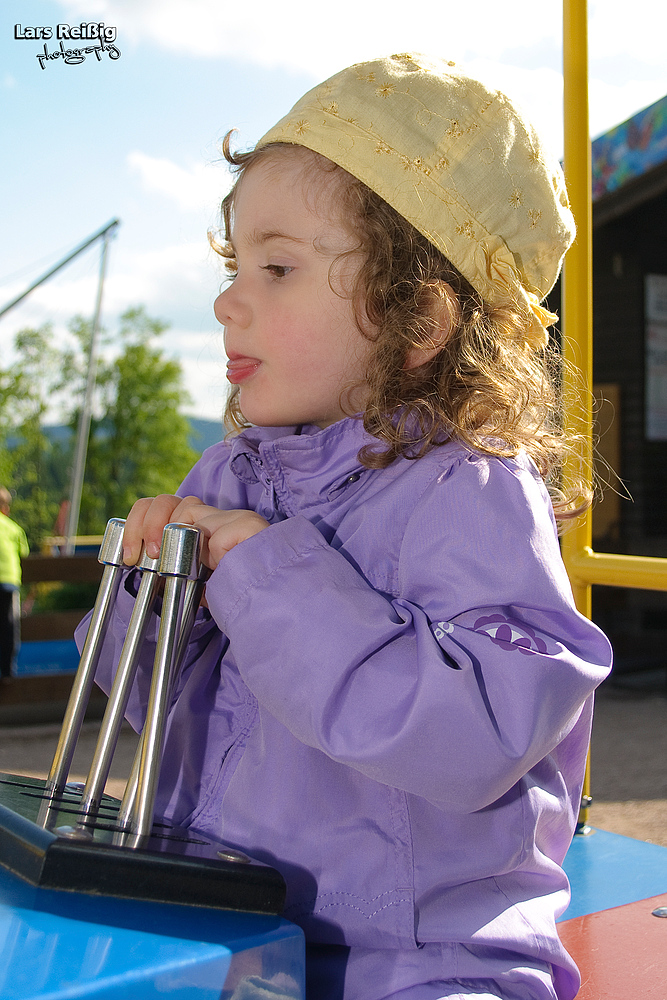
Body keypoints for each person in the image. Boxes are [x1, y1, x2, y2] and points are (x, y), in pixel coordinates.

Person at [86, 55, 612, 1000]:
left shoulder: (470, 491)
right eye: (233, 266)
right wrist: (145, 586)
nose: (226, 302)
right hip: (228, 934)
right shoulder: (231, 474)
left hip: (414, 963)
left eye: (278, 268)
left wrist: (267, 578)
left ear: (421, 317)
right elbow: (141, 703)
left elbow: (476, 736)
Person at [0, 486, 29, 682]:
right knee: (9, 627)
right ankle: (8, 672)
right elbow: (24, 553)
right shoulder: (13, 527)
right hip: (9, 582)